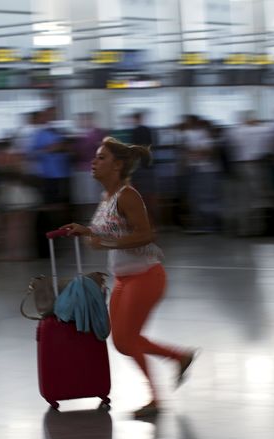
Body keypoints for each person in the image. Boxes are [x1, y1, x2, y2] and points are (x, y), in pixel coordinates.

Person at [60, 137, 197, 418]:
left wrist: (104, 243)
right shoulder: (106, 197)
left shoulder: (127, 195)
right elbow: (111, 232)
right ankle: (179, 357)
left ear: (117, 165)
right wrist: (87, 232)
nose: (93, 162)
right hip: (123, 278)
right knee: (122, 341)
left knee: (127, 338)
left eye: (101, 158)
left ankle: (156, 399)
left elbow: (146, 235)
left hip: (146, 276)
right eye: (95, 157)